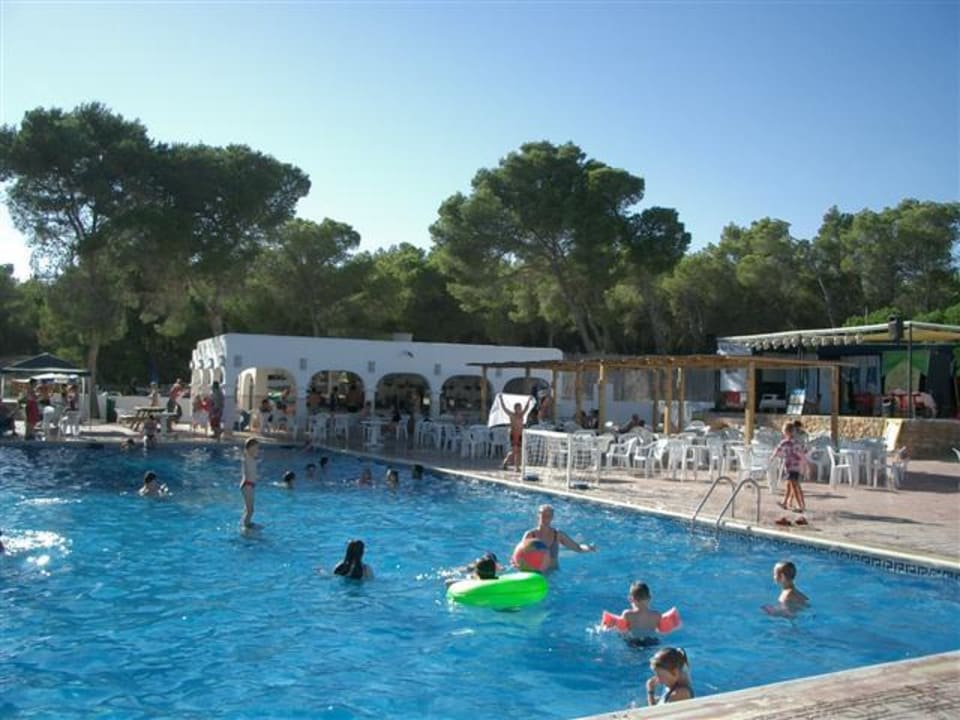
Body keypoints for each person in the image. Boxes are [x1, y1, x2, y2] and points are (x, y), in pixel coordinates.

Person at [522, 504, 596, 571]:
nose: (545, 518)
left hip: (553, 573)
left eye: (549, 516)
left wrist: (589, 548)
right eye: (543, 515)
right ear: (538, 515)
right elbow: (520, 554)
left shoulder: (557, 534)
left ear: (552, 517)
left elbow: (577, 548)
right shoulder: (530, 535)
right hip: (536, 573)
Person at [773, 421, 809, 525]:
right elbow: (801, 453)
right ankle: (786, 503)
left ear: (786, 432)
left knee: (794, 486)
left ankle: (800, 506)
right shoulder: (794, 442)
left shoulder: (789, 442)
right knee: (790, 485)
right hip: (793, 467)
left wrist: (773, 457)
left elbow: (777, 450)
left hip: (792, 467)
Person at [499, 395, 533, 471]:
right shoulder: (512, 415)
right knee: (515, 451)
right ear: (515, 409)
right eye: (519, 408)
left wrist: (528, 400)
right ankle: (512, 466)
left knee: (519, 451)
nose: (520, 409)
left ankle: (512, 465)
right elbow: (504, 408)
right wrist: (501, 400)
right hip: (514, 435)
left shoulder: (522, 415)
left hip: (520, 435)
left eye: (520, 408)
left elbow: (526, 408)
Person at [239, 437, 259, 529]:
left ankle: (245, 522)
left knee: (248, 509)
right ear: (249, 448)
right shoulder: (246, 457)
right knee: (251, 510)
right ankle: (245, 528)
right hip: (247, 485)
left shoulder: (253, 458)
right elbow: (246, 471)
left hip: (251, 486)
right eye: (255, 448)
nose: (257, 450)